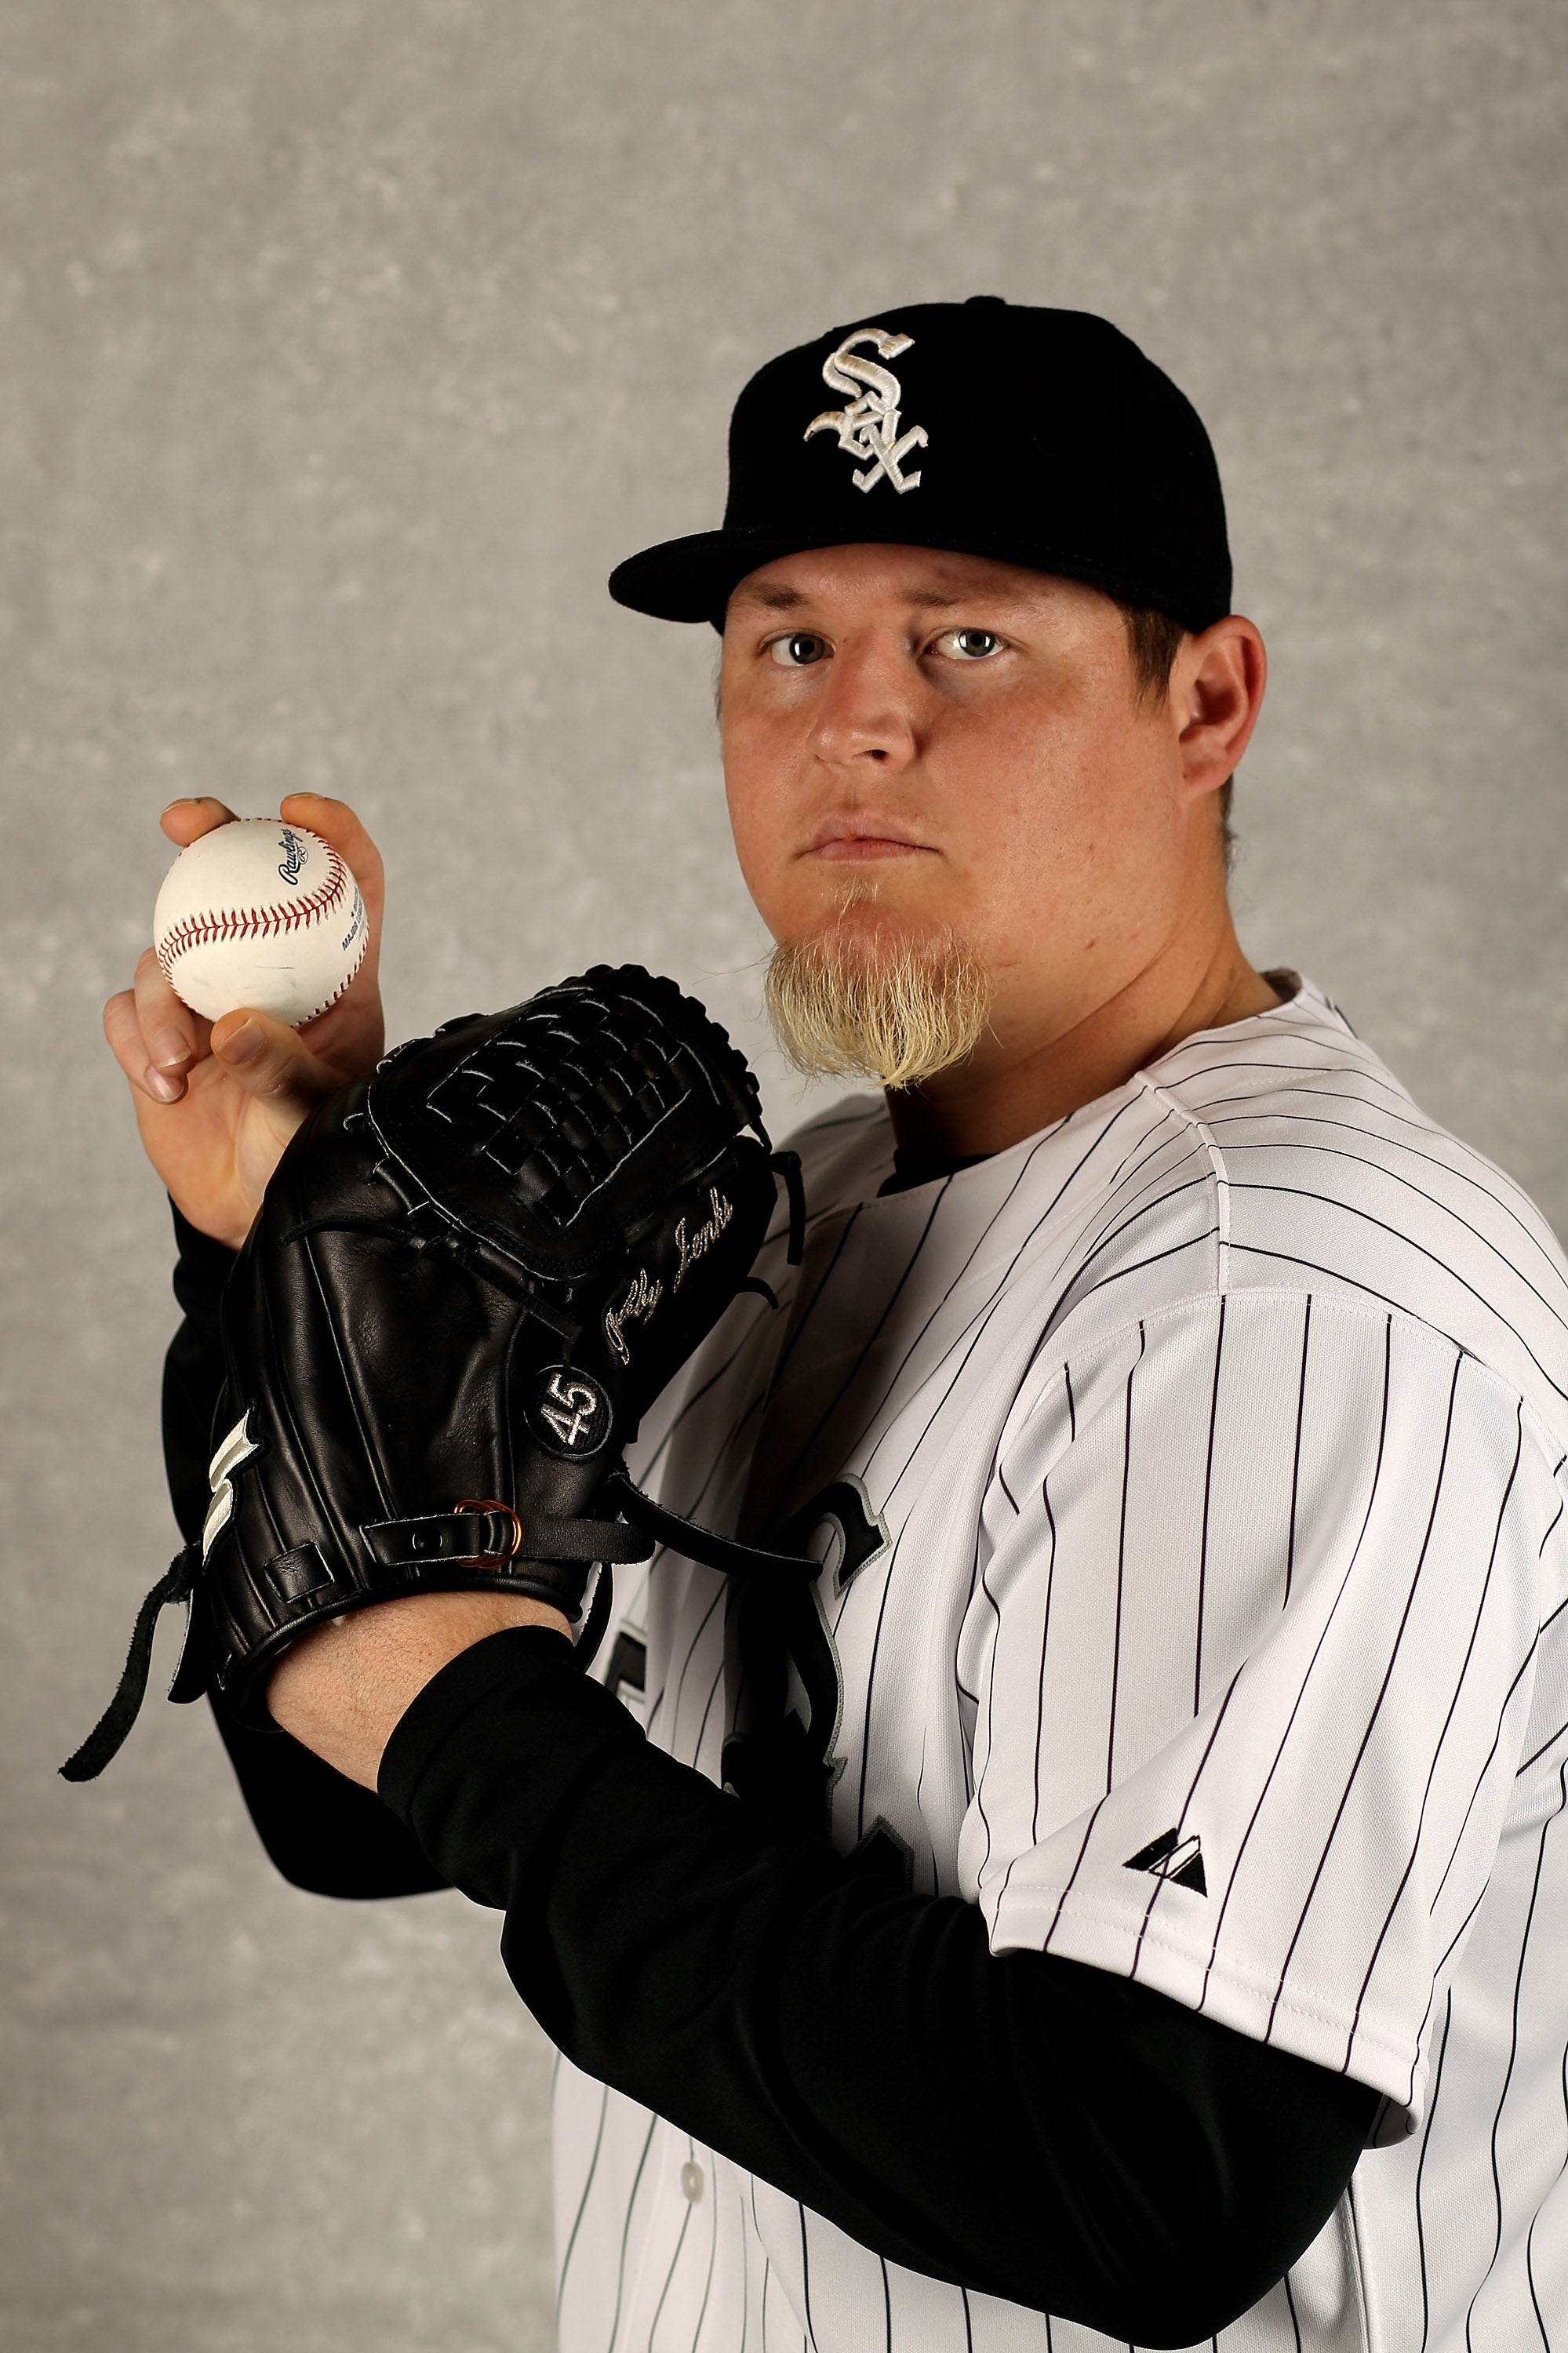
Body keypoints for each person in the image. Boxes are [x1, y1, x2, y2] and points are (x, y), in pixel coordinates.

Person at [104, 300, 1568, 2351]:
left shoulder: (1292, 1286)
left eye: (966, 639)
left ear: (1208, 702)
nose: (853, 725)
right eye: (790, 641)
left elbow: (1144, 2170)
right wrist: (288, 1249)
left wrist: (454, 1709)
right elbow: (370, 1803)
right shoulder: (805, 1208)